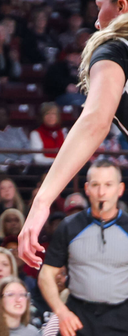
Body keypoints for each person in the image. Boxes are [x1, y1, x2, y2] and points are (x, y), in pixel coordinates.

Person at [18, 0, 128, 269]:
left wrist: (42, 201)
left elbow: (94, 121)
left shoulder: (116, 48)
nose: (95, 22)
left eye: (100, 6)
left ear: (121, 6)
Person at [38, 159, 128, 336]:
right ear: (87, 189)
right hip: (77, 316)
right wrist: (61, 312)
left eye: (108, 185)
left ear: (120, 189)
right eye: (97, 185)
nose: (102, 192)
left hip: (120, 317)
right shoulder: (69, 226)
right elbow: (46, 276)